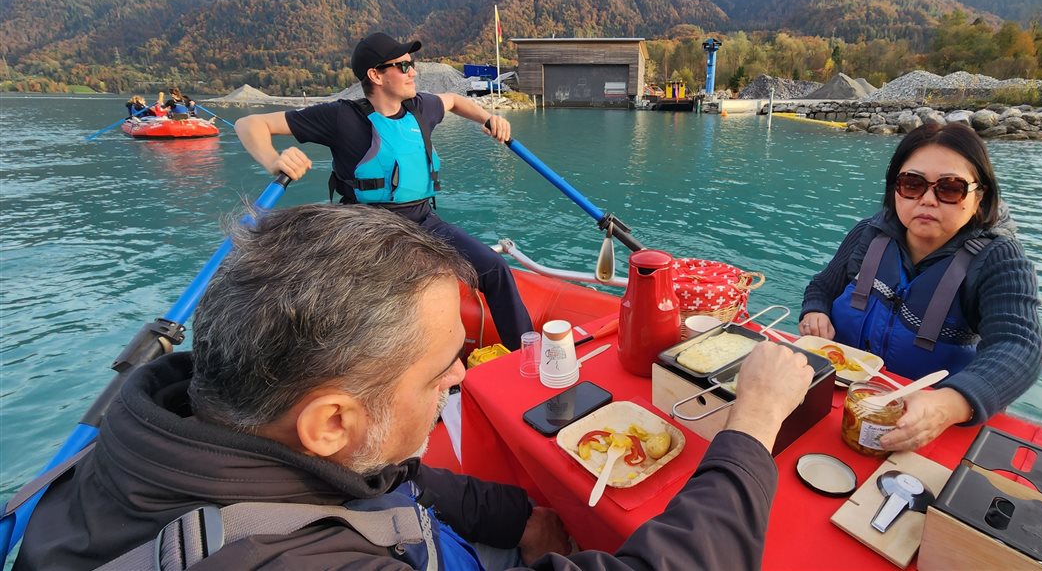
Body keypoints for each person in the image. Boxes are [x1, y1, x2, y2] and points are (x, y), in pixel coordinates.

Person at [15, 204, 816, 570]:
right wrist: (750, 429)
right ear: (331, 419)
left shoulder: (183, 420)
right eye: (442, 371)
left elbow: (387, 475)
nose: (464, 377)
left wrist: (522, 517)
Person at [235, 32, 534, 350]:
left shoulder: (422, 108)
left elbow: (455, 100)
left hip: (422, 219)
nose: (413, 71)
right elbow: (249, 124)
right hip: (366, 227)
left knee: (495, 269)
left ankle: (527, 353)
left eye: (412, 64)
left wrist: (488, 118)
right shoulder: (342, 118)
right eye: (403, 66)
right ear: (375, 75)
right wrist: (274, 159)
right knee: (385, 305)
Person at [798, 122, 1042, 453]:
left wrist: (948, 405)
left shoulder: (998, 259)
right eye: (912, 184)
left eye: (950, 188)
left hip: (926, 427)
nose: (927, 200)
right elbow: (823, 286)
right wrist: (815, 310)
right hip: (838, 404)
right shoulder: (868, 235)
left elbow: (1020, 346)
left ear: (979, 196)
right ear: (895, 188)